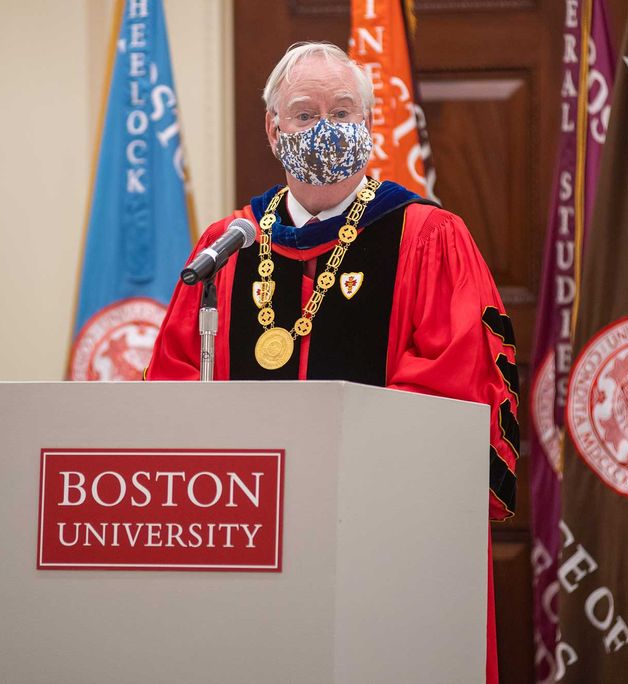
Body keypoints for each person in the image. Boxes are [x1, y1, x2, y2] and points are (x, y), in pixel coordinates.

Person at [147, 42, 519, 683]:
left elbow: (451, 388)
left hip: (382, 545)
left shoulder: (427, 238)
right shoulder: (228, 246)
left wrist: (330, 477)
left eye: (344, 111)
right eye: (305, 113)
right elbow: (175, 384)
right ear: (272, 128)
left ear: (369, 125)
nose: (326, 128)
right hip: (248, 541)